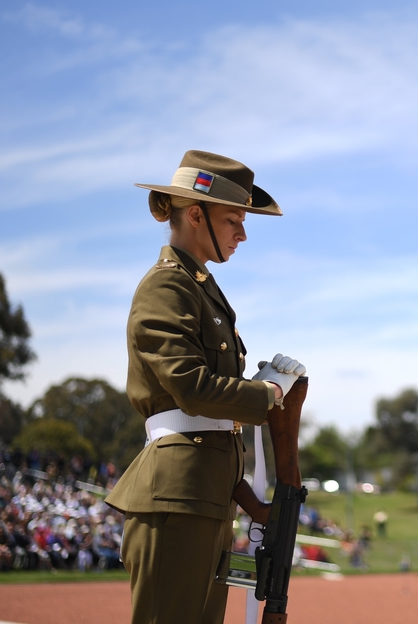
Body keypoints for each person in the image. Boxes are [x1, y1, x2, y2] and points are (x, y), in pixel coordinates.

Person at [105, 151, 306, 624]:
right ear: (195, 215)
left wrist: (252, 502)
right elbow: (190, 387)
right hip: (178, 498)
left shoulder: (199, 287)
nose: (243, 233)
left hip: (204, 497)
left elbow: (211, 415)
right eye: (233, 219)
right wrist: (268, 396)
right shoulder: (166, 287)